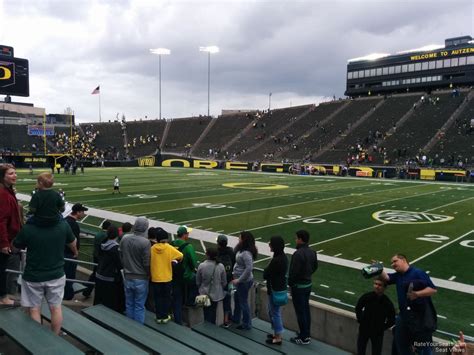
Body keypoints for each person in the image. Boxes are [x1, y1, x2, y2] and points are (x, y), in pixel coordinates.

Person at [13, 217, 77, 334]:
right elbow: (73, 243)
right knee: (56, 308)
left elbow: (15, 247)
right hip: (56, 274)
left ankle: (39, 342)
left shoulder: (29, 228)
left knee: (34, 309)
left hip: (34, 275)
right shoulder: (63, 225)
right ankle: (54, 339)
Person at [380, 254, 437, 355]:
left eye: (395, 261)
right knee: (401, 344)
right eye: (392, 262)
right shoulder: (398, 275)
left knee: (425, 347)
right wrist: (379, 269)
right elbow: (387, 278)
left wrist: (416, 294)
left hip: (421, 317)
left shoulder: (418, 273)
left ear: (403, 260)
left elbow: (432, 289)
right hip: (404, 316)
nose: (392, 264)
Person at [288, 229, 318, 345]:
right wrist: (307, 275)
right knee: (305, 310)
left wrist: (291, 284)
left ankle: (303, 337)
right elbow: (315, 267)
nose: (295, 240)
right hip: (307, 285)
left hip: (299, 287)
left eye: (296, 238)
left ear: (300, 239)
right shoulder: (312, 252)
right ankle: (306, 333)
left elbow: (293, 272)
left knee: (301, 312)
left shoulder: (298, 254)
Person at [119, 217, 151, 324]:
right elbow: (146, 263)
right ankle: (137, 332)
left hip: (128, 276)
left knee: (129, 304)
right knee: (139, 306)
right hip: (141, 278)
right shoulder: (145, 242)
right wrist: (148, 274)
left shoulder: (125, 238)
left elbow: (121, 255)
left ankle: (130, 329)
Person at [0, 164, 22, 307]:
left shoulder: (6, 191)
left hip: (8, 236)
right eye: (10, 173)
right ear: (2, 176)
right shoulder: (2, 193)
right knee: (2, 269)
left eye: (15, 173)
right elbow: (1, 219)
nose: (15, 175)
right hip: (5, 239)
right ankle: (3, 298)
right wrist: (4, 243)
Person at [150, 227, 183, 323]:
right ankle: (164, 316)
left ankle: (159, 316)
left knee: (157, 298)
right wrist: (173, 260)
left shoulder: (152, 248)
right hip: (167, 278)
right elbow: (181, 255)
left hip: (156, 278)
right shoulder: (168, 248)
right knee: (166, 298)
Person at [356, 276, 396, 355]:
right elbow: (358, 308)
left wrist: (382, 327)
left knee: (376, 352)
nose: (376, 286)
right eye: (375, 284)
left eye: (379, 285)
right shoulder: (367, 297)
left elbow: (391, 319)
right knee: (360, 350)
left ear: (385, 287)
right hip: (364, 329)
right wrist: (361, 320)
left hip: (377, 333)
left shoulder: (387, 303)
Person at [263, 236, 288, 345]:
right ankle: (276, 333)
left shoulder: (276, 260)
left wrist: (268, 265)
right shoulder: (283, 257)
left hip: (274, 289)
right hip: (278, 287)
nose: (269, 245)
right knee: (272, 311)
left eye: (271, 243)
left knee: (275, 313)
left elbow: (266, 274)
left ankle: (278, 337)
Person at [170, 225, 198, 324]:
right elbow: (194, 263)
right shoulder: (188, 247)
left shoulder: (171, 244)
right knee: (196, 282)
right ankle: (190, 302)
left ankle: (178, 320)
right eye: (187, 233)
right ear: (184, 235)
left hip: (172, 275)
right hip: (185, 276)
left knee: (177, 299)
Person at [94, 225, 125, 312]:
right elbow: (119, 265)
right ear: (116, 235)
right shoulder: (115, 248)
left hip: (99, 274)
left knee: (98, 300)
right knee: (109, 305)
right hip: (109, 278)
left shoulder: (102, 244)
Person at [231, 231, 258, 330]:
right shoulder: (242, 249)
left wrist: (239, 280)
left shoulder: (246, 253)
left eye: (240, 238)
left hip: (244, 281)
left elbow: (249, 268)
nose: (238, 239)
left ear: (244, 240)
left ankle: (247, 324)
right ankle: (236, 318)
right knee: (238, 299)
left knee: (243, 302)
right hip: (241, 280)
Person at [63, 203, 88, 300]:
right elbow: (72, 241)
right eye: (83, 212)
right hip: (69, 255)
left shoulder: (65, 221)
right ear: (78, 212)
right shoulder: (73, 224)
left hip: (62, 253)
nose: (84, 214)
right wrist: (76, 252)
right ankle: (67, 296)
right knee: (69, 277)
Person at [196, 247, 227, 324]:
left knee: (205, 313)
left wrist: (201, 288)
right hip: (216, 294)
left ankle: (206, 327)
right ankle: (212, 328)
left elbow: (198, 281)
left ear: (207, 254)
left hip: (204, 293)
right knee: (213, 312)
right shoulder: (221, 266)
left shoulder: (202, 265)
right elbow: (224, 282)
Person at [83, 220, 112, 298]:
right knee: (97, 275)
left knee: (95, 274)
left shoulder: (99, 234)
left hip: (96, 256)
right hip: (101, 258)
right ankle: (87, 291)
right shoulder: (105, 235)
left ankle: (87, 290)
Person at [216, 234, 235, 327]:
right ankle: (226, 320)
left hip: (218, 279)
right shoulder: (231, 251)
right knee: (227, 299)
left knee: (215, 299)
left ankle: (213, 320)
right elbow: (234, 263)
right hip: (229, 278)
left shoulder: (216, 252)